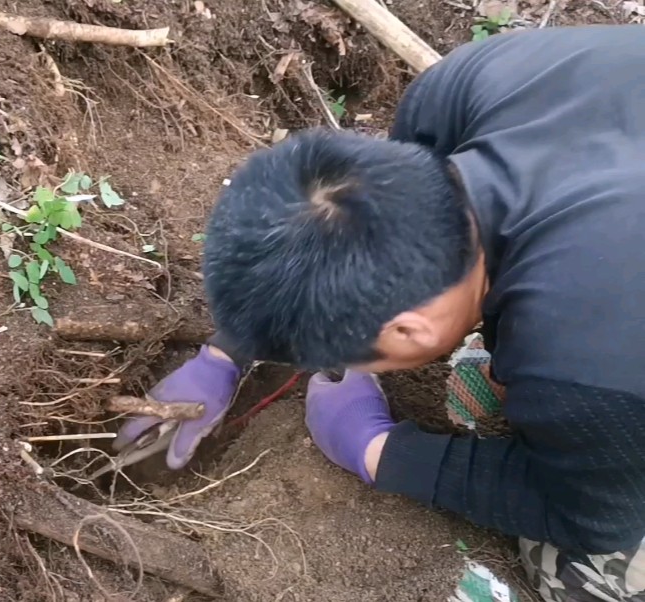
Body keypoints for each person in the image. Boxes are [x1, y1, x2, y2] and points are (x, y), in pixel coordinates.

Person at [112, 24, 645, 602]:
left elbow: (591, 518)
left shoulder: (585, 366)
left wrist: (378, 451)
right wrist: (226, 352)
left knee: (577, 575)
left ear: (411, 329)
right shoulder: (463, 89)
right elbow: (335, 233)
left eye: (344, 358)